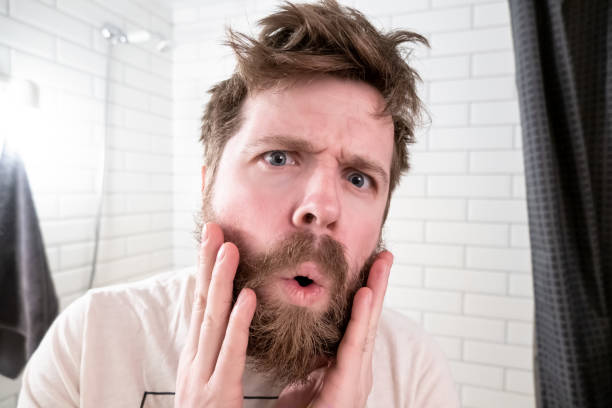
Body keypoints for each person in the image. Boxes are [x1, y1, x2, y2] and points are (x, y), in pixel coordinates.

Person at [18, 1, 459, 407]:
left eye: (358, 178)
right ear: (208, 182)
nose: (322, 207)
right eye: (279, 158)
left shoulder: (414, 372)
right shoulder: (88, 342)